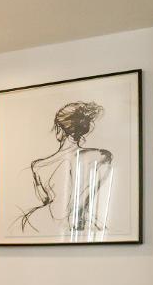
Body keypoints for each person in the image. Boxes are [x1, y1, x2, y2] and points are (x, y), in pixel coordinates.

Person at [15, 100, 114, 238]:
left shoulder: (37, 166)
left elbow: (45, 200)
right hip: (74, 223)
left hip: (41, 223)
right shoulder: (102, 156)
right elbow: (85, 199)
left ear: (59, 129)